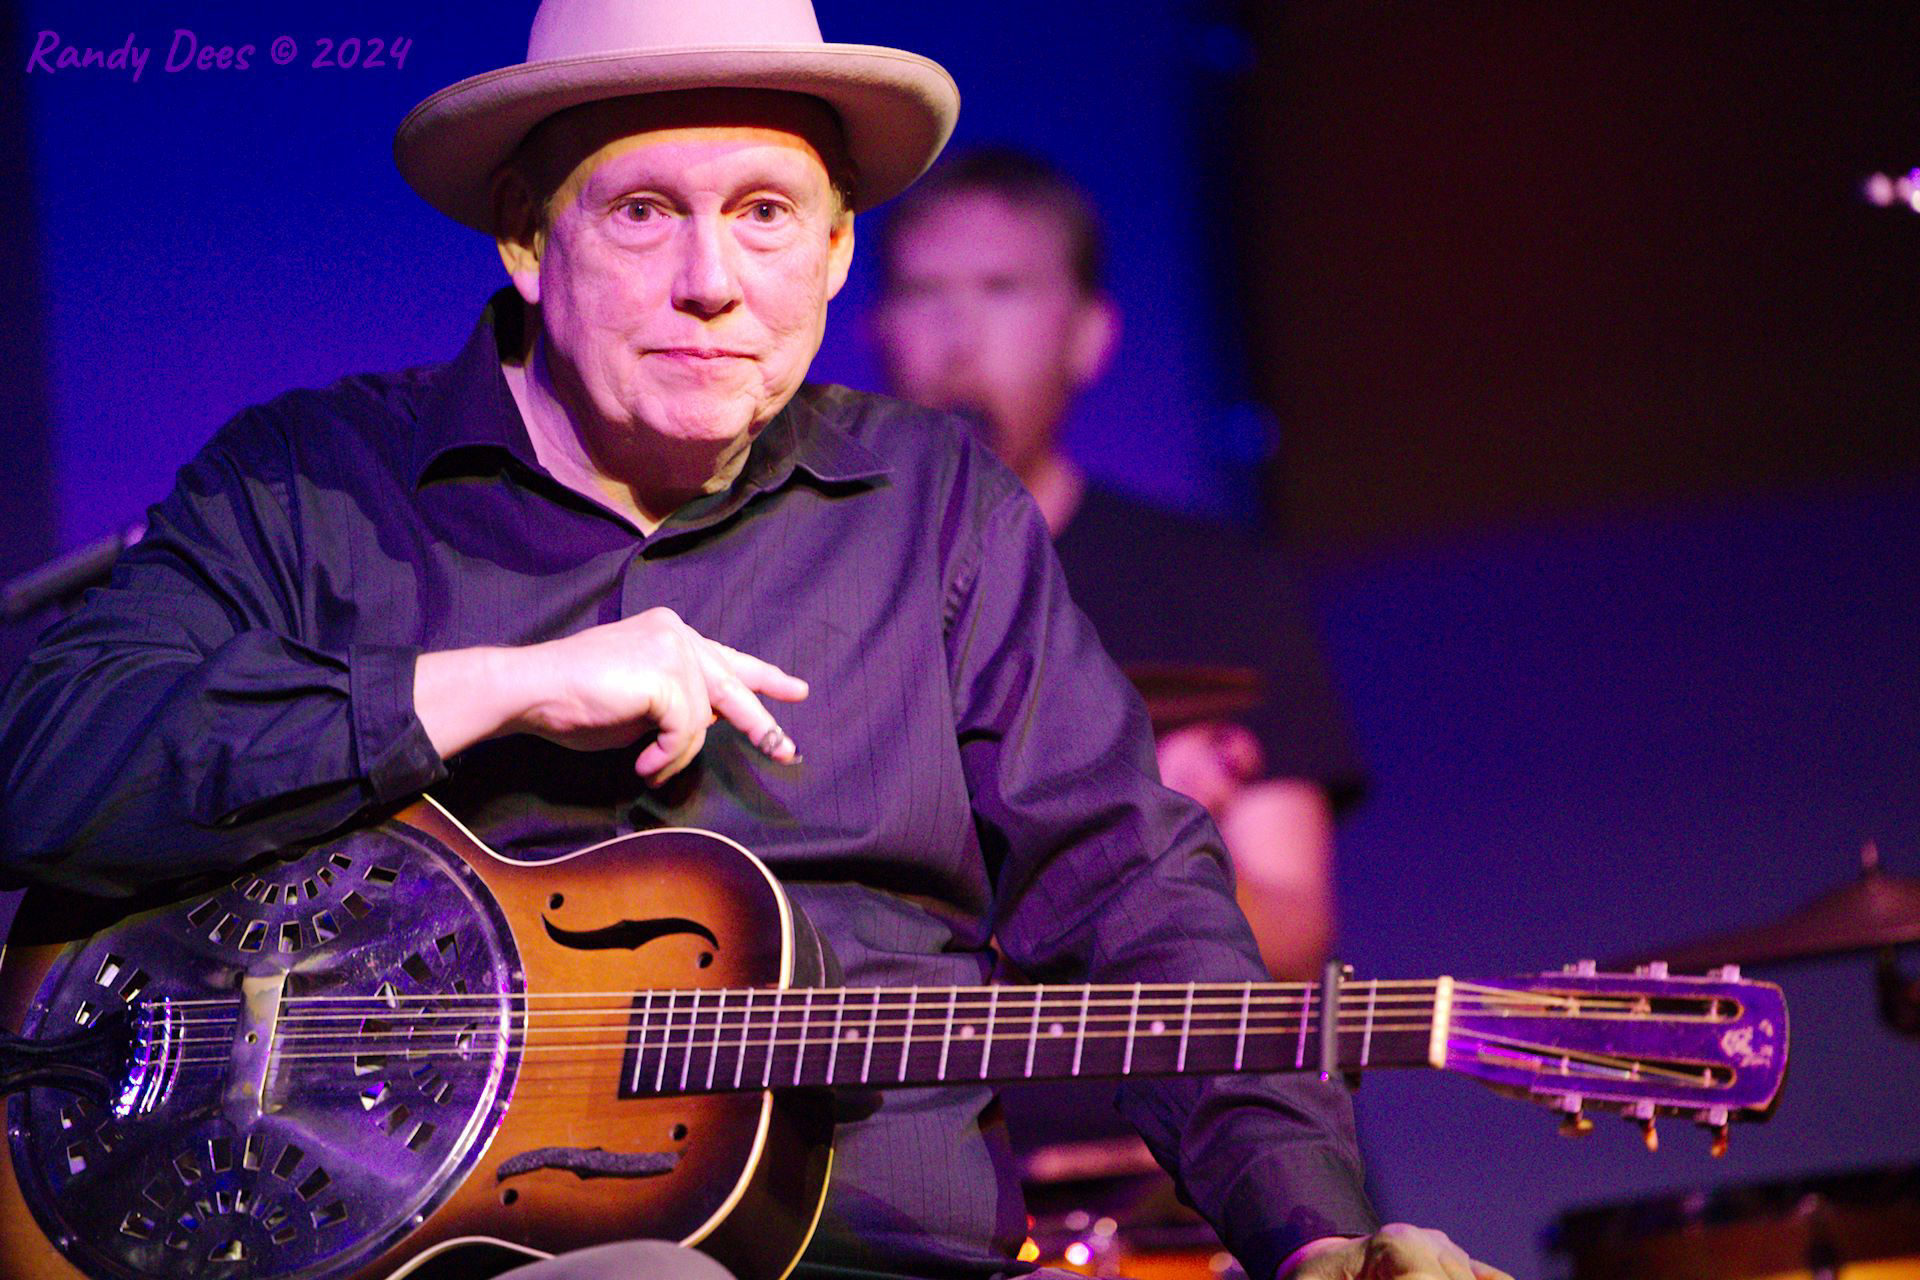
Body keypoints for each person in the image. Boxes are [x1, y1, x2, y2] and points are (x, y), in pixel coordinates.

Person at [0, 2, 1504, 1278]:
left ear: (839, 253)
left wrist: (1313, 1239)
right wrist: (480, 689)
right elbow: (41, 761)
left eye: (766, 216)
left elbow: (1137, 898)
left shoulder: (935, 509)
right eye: (646, 211)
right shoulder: (315, 484)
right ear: (529, 237)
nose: (713, 281)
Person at [871, 148, 1362, 985]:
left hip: (1144, 1108)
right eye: (924, 293)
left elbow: (1292, 935)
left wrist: (1152, 842)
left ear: (1090, 337)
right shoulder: (827, 582)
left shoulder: (1215, 581)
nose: (959, 339)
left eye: (1003, 291)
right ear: (876, 331)